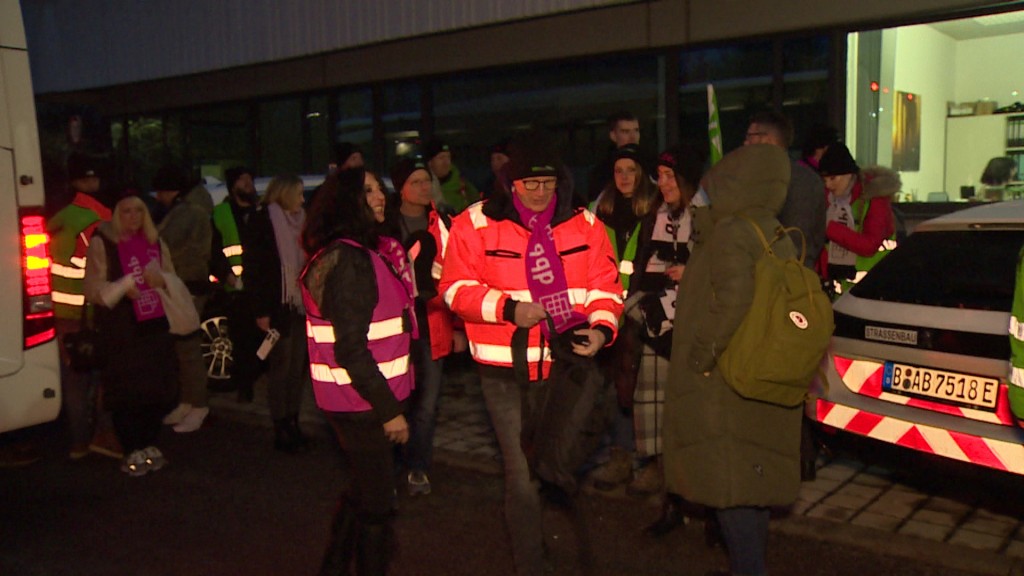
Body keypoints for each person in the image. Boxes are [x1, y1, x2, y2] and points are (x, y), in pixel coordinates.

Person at [439, 131, 622, 575]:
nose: (540, 193)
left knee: (556, 465)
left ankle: (552, 543)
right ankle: (531, 564)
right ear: (510, 183)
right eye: (529, 184)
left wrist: (601, 330)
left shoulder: (587, 225)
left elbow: (606, 287)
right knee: (522, 475)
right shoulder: (475, 223)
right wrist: (508, 309)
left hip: (566, 367)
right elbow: (455, 290)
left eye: (548, 184)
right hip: (505, 372)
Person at [662, 143, 800, 576]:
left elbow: (734, 299)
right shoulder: (771, 230)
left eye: (711, 186)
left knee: (728, 488)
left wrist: (701, 355)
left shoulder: (731, 231)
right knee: (749, 484)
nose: (703, 195)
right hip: (756, 372)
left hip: (723, 379)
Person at [300, 167, 414, 576]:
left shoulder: (354, 253)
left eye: (379, 188)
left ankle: (333, 566)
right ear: (347, 202)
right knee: (379, 506)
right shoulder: (349, 261)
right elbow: (352, 349)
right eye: (367, 191)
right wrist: (390, 411)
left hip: (354, 402)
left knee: (363, 492)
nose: (380, 196)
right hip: (363, 406)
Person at [743, 111, 827, 481]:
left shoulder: (781, 180)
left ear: (767, 140)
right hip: (799, 289)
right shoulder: (807, 178)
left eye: (749, 137)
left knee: (777, 375)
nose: (744, 145)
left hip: (779, 293)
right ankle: (800, 457)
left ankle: (785, 460)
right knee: (793, 376)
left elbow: (785, 241)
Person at [624, 145, 703, 509]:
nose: (664, 183)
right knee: (651, 396)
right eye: (661, 176)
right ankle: (657, 466)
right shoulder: (652, 217)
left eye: (671, 176)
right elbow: (638, 266)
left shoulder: (704, 216)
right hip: (654, 316)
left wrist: (692, 273)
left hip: (689, 318)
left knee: (683, 400)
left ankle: (684, 471)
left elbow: (718, 264)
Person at [83, 194, 178, 476]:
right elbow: (92, 289)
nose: (133, 217)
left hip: (155, 324)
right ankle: (131, 447)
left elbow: (172, 276)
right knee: (127, 391)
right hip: (122, 327)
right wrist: (124, 287)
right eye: (126, 211)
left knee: (156, 388)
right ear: (116, 214)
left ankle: (149, 443)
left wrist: (160, 281)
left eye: (139, 211)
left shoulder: (155, 241)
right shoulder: (104, 242)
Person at [387, 157, 463, 496]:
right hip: (394, 327)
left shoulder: (445, 223)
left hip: (433, 322)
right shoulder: (384, 223)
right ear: (401, 187)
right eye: (416, 181)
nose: (423, 187)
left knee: (428, 402)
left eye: (426, 181)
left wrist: (460, 326)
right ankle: (391, 463)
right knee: (395, 397)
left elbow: (459, 276)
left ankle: (417, 465)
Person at [587, 143, 659, 494]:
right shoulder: (600, 209)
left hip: (644, 310)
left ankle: (652, 461)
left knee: (643, 388)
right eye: (619, 171)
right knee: (615, 386)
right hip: (610, 310)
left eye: (631, 170)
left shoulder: (657, 209)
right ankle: (620, 456)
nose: (625, 177)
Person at [48, 152, 120, 460]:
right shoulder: (101, 220)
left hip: (60, 311)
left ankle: (77, 442)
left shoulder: (57, 218)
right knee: (104, 375)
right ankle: (104, 436)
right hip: (93, 310)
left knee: (73, 377)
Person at [245, 175, 310, 453]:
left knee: (297, 366)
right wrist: (261, 310)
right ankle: (280, 424)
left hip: (299, 303)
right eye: (298, 194)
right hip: (277, 304)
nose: (302, 200)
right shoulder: (264, 221)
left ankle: (293, 420)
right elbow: (255, 268)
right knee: (281, 367)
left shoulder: (302, 220)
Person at [152, 163, 214, 433]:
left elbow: (164, 243)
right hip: (185, 285)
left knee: (187, 348)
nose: (158, 198)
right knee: (182, 346)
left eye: (161, 192)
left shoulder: (187, 213)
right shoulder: (193, 208)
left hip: (186, 287)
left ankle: (197, 404)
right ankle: (189, 401)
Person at [817, 142, 901, 296]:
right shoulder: (827, 200)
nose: (828, 185)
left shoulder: (874, 199)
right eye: (824, 180)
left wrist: (829, 228)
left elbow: (869, 246)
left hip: (873, 290)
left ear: (848, 174)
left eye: (833, 178)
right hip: (836, 290)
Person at [211, 166, 263, 402]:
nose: (248, 183)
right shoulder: (220, 213)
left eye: (249, 179)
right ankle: (245, 387)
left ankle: (256, 376)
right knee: (241, 340)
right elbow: (213, 250)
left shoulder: (261, 211)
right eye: (243, 180)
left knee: (261, 339)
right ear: (233, 187)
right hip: (236, 290)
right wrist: (226, 275)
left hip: (260, 286)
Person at [586, 110, 642, 202]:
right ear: (613, 136)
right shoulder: (602, 172)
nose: (633, 137)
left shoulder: (650, 164)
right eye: (625, 131)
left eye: (636, 130)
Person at [423, 138, 479, 215]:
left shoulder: (462, 183)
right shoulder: (424, 188)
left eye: (448, 157)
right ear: (430, 162)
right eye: (441, 158)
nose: (446, 162)